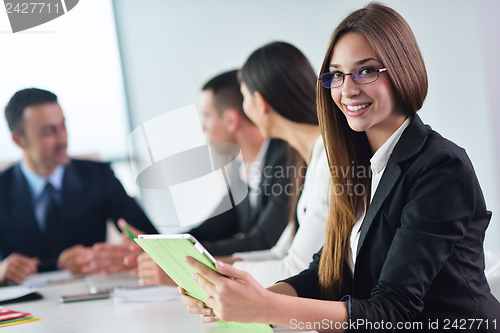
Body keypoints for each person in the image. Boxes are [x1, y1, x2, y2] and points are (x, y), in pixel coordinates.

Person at [179, 3, 500, 332]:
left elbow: (394, 312)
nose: (347, 89)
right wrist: (242, 301)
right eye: (336, 74)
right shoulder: (357, 164)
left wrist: (264, 306)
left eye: (366, 71)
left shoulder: (441, 168)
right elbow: (326, 273)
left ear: (403, 69)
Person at [134, 43, 330, 288]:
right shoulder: (310, 157)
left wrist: (191, 268)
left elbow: (291, 263)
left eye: (245, 97)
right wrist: (169, 250)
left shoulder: (313, 161)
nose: (201, 126)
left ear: (260, 103)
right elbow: (283, 252)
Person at [0, 88, 157, 284]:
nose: (62, 138)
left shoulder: (99, 176)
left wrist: (103, 255)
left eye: (63, 126)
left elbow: (152, 240)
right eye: (49, 131)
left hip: (92, 294)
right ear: (19, 140)